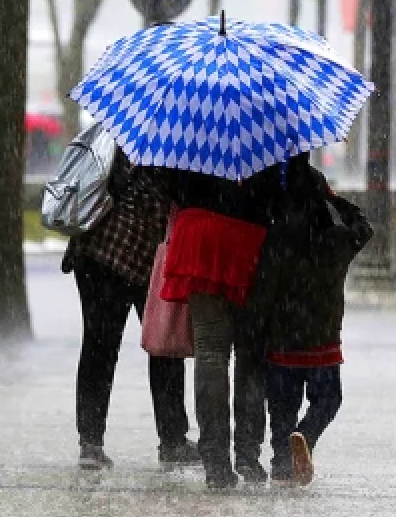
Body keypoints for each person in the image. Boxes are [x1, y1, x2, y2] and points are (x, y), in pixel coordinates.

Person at [61, 152, 200, 472]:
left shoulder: (127, 133)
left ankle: (92, 442)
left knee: (102, 346)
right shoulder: (174, 147)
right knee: (159, 346)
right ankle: (170, 440)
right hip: (126, 253)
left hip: (101, 249)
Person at [156, 164, 288, 488]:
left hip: (199, 232)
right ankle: (247, 454)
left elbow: (170, 183)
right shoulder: (268, 134)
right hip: (250, 237)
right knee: (250, 354)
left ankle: (215, 460)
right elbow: (282, 191)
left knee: (211, 353)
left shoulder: (190, 132)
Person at [248, 154, 371, 485]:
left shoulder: (276, 238)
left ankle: (281, 466)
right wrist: (335, 199)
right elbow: (364, 228)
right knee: (328, 399)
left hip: (282, 340)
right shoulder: (337, 240)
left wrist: (256, 331)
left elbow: (263, 291)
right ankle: (306, 434)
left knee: (281, 409)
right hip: (322, 340)